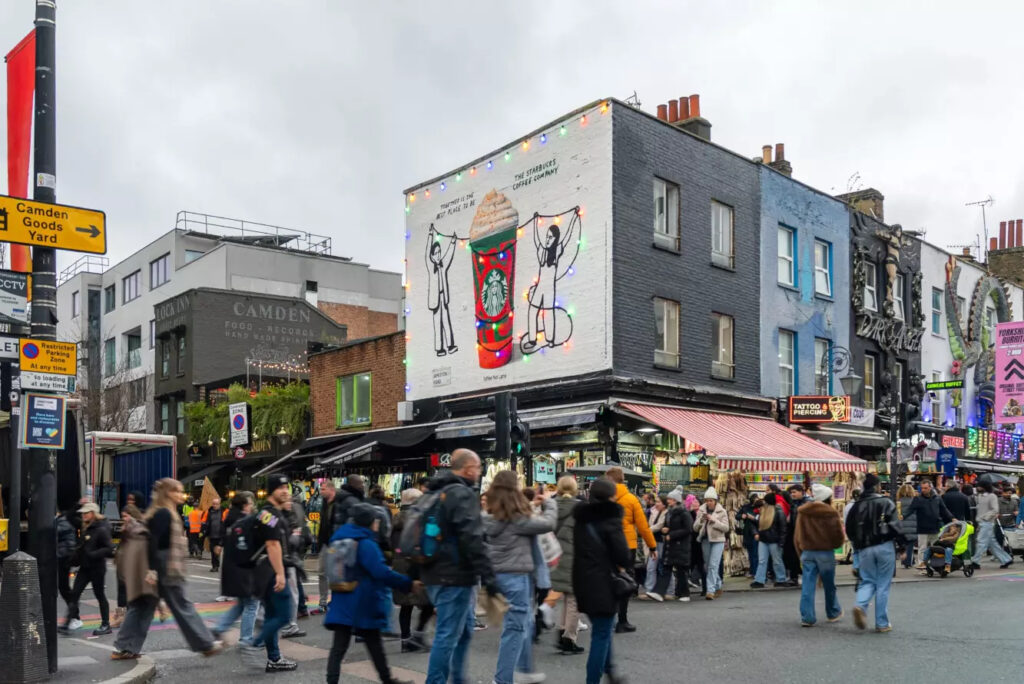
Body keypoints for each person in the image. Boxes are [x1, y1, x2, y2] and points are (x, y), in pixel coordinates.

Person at [112, 479, 222, 660]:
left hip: (159, 565)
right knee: (182, 605)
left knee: (142, 606)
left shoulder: (161, 512)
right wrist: (152, 570)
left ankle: (124, 647)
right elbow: (154, 543)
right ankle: (205, 644)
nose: (181, 495)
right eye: (177, 491)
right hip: (165, 566)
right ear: (167, 493)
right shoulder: (164, 513)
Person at [423, 449, 496, 684]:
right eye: (478, 468)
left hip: (436, 572)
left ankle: (459, 679)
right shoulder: (461, 494)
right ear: (468, 469)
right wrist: (489, 578)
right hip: (454, 576)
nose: (480, 473)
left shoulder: (435, 492)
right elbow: (472, 538)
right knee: (447, 635)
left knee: (463, 631)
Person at [324, 503, 417, 684]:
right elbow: (381, 572)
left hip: (342, 598)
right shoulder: (365, 543)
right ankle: (387, 679)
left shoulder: (339, 539)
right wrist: (407, 583)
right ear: (370, 522)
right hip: (363, 601)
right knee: (375, 645)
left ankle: (332, 681)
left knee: (339, 647)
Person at [483, 471, 556, 684]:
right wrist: (549, 503)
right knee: (514, 629)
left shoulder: (487, 517)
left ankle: (525, 669)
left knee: (521, 624)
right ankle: (503, 680)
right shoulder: (519, 520)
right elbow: (548, 524)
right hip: (517, 577)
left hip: (496, 577)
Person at [241, 474, 299, 672]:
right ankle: (254, 644)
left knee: (273, 614)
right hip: (270, 571)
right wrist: (280, 574)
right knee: (284, 614)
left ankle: (274, 658)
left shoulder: (270, 512)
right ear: (271, 490)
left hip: (263, 571)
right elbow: (272, 544)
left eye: (286, 487)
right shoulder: (270, 514)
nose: (285, 491)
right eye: (280, 487)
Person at [573, 478, 630, 684]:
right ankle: (593, 680)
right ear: (611, 496)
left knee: (602, 629)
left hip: (582, 580)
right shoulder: (611, 520)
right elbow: (623, 555)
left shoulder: (581, 519)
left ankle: (610, 671)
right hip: (604, 583)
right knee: (600, 634)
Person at [604, 466, 656, 632]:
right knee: (624, 580)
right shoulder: (631, 499)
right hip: (627, 545)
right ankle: (622, 620)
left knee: (609, 580)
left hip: (607, 544)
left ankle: (608, 618)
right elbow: (643, 527)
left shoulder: (604, 499)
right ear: (622, 479)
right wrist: (652, 546)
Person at [846, 474, 898, 633]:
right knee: (883, 584)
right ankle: (882, 623)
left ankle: (860, 605)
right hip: (884, 545)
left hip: (865, 547)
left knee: (867, 580)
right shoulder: (886, 502)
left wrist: (857, 545)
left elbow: (849, 528)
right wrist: (902, 546)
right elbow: (895, 525)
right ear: (876, 486)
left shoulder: (856, 505)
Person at [211, 491, 260, 645]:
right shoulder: (246, 520)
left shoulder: (230, 517)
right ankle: (246, 639)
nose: (252, 506)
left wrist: (219, 544)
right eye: (251, 503)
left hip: (232, 566)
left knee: (242, 603)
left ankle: (220, 627)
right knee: (251, 604)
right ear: (245, 505)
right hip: (244, 567)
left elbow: (222, 533)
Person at [794, 484, 845, 627]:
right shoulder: (831, 513)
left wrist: (800, 552)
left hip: (808, 552)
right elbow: (837, 536)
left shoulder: (803, 513)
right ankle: (832, 611)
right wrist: (836, 545)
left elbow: (797, 536)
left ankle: (807, 617)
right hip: (825, 552)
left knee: (808, 585)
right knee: (829, 585)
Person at [60, 502, 115, 636]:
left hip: (97, 568)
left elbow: (110, 549)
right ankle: (67, 624)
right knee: (75, 594)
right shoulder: (87, 528)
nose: (83, 515)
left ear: (93, 513)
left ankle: (106, 624)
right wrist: (73, 560)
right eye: (83, 513)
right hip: (85, 567)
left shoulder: (101, 529)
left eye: (86, 513)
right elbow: (70, 517)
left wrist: (93, 554)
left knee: (99, 595)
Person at [392, 488, 434, 653]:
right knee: (426, 602)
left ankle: (405, 640)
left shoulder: (395, 518)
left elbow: (389, 541)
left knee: (405, 605)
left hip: (399, 564)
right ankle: (419, 635)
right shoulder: (420, 518)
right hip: (417, 562)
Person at [317, 476, 365, 612]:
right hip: (327, 542)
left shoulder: (341, 502)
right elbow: (324, 523)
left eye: (323, 489)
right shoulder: (326, 503)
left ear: (331, 489)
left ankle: (335, 600)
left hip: (338, 543)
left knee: (337, 572)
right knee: (322, 572)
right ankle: (323, 601)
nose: (320, 491)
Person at [549, 475, 583, 654]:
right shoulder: (579, 507)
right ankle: (569, 637)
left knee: (564, 596)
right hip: (575, 556)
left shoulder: (551, 506)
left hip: (555, 555)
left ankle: (561, 629)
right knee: (574, 600)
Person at [648, 488, 693, 602]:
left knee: (681, 570)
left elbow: (688, 529)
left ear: (676, 500)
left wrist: (671, 534)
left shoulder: (684, 513)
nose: (668, 501)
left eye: (670, 499)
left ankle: (684, 593)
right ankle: (659, 592)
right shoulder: (670, 512)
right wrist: (666, 530)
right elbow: (673, 527)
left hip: (680, 545)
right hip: (671, 545)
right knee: (667, 568)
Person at [278, 497, 308, 639]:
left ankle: (290, 625)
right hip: (281, 559)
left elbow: (296, 537)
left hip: (289, 559)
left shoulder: (290, 516)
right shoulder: (273, 515)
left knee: (292, 593)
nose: (289, 504)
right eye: (286, 501)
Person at [907, 480, 953, 569]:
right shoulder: (918, 499)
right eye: (922, 488)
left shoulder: (937, 498)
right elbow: (910, 510)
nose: (923, 490)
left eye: (925, 488)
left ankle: (934, 563)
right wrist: (902, 516)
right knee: (922, 548)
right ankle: (922, 564)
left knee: (935, 547)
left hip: (934, 526)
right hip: (922, 527)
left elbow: (944, 510)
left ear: (930, 488)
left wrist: (952, 517)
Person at [694, 487, 730, 600]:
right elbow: (695, 528)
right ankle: (718, 585)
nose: (709, 502)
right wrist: (701, 521)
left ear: (715, 501)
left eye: (711, 500)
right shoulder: (701, 510)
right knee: (708, 566)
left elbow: (726, 528)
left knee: (713, 565)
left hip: (718, 540)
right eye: (707, 500)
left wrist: (714, 520)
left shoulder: (722, 511)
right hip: (705, 540)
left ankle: (710, 591)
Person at [113, 505, 145, 628]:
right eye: (123, 516)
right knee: (121, 592)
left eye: (126, 516)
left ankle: (133, 618)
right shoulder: (125, 528)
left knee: (131, 593)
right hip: (122, 565)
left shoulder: (137, 528)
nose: (123, 518)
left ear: (132, 515)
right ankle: (121, 617)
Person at [749, 491, 788, 589]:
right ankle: (760, 580)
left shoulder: (777, 511)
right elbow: (783, 528)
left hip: (773, 540)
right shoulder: (770, 510)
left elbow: (783, 528)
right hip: (765, 539)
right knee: (764, 560)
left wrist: (781, 542)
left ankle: (780, 579)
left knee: (776, 560)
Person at [971, 482, 1013, 569]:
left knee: (981, 542)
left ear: (984, 486)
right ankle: (1006, 559)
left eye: (979, 486)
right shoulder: (980, 496)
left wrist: (985, 518)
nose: (977, 488)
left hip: (987, 522)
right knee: (992, 544)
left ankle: (975, 561)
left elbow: (995, 510)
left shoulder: (992, 496)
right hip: (983, 522)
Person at [639, 496, 668, 598]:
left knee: (663, 567)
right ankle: (650, 590)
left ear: (664, 504)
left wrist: (646, 531)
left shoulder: (666, 513)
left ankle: (669, 591)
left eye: (658, 502)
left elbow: (659, 526)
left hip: (661, 542)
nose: (656, 504)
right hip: (655, 542)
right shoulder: (655, 513)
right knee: (651, 567)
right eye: (655, 502)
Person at [55, 509, 78, 620]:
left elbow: (54, 532)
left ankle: (75, 617)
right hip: (62, 557)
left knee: (64, 588)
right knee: (64, 588)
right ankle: (73, 617)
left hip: (64, 558)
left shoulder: (63, 521)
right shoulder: (62, 520)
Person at [782, 484, 806, 585]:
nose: (793, 494)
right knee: (793, 555)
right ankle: (794, 576)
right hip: (793, 532)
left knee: (804, 556)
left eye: (795, 492)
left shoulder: (807, 503)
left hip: (803, 533)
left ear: (801, 492)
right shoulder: (793, 504)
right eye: (791, 493)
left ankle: (804, 575)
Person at [736, 493, 760, 579]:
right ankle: (752, 571)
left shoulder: (759, 507)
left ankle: (755, 572)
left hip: (756, 532)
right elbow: (737, 516)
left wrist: (752, 518)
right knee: (750, 553)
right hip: (747, 532)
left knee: (755, 553)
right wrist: (742, 516)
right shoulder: (745, 507)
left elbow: (760, 519)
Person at [896, 484, 919, 569]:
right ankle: (908, 561)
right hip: (913, 525)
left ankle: (908, 560)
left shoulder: (898, 502)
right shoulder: (915, 501)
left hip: (902, 526)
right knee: (910, 544)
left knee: (905, 544)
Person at [203, 497, 227, 573]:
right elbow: (205, 522)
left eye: (216, 504)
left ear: (219, 504)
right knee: (213, 552)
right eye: (213, 504)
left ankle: (218, 565)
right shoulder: (209, 512)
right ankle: (214, 566)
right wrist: (204, 531)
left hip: (221, 535)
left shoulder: (224, 511)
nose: (215, 505)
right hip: (212, 535)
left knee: (218, 551)